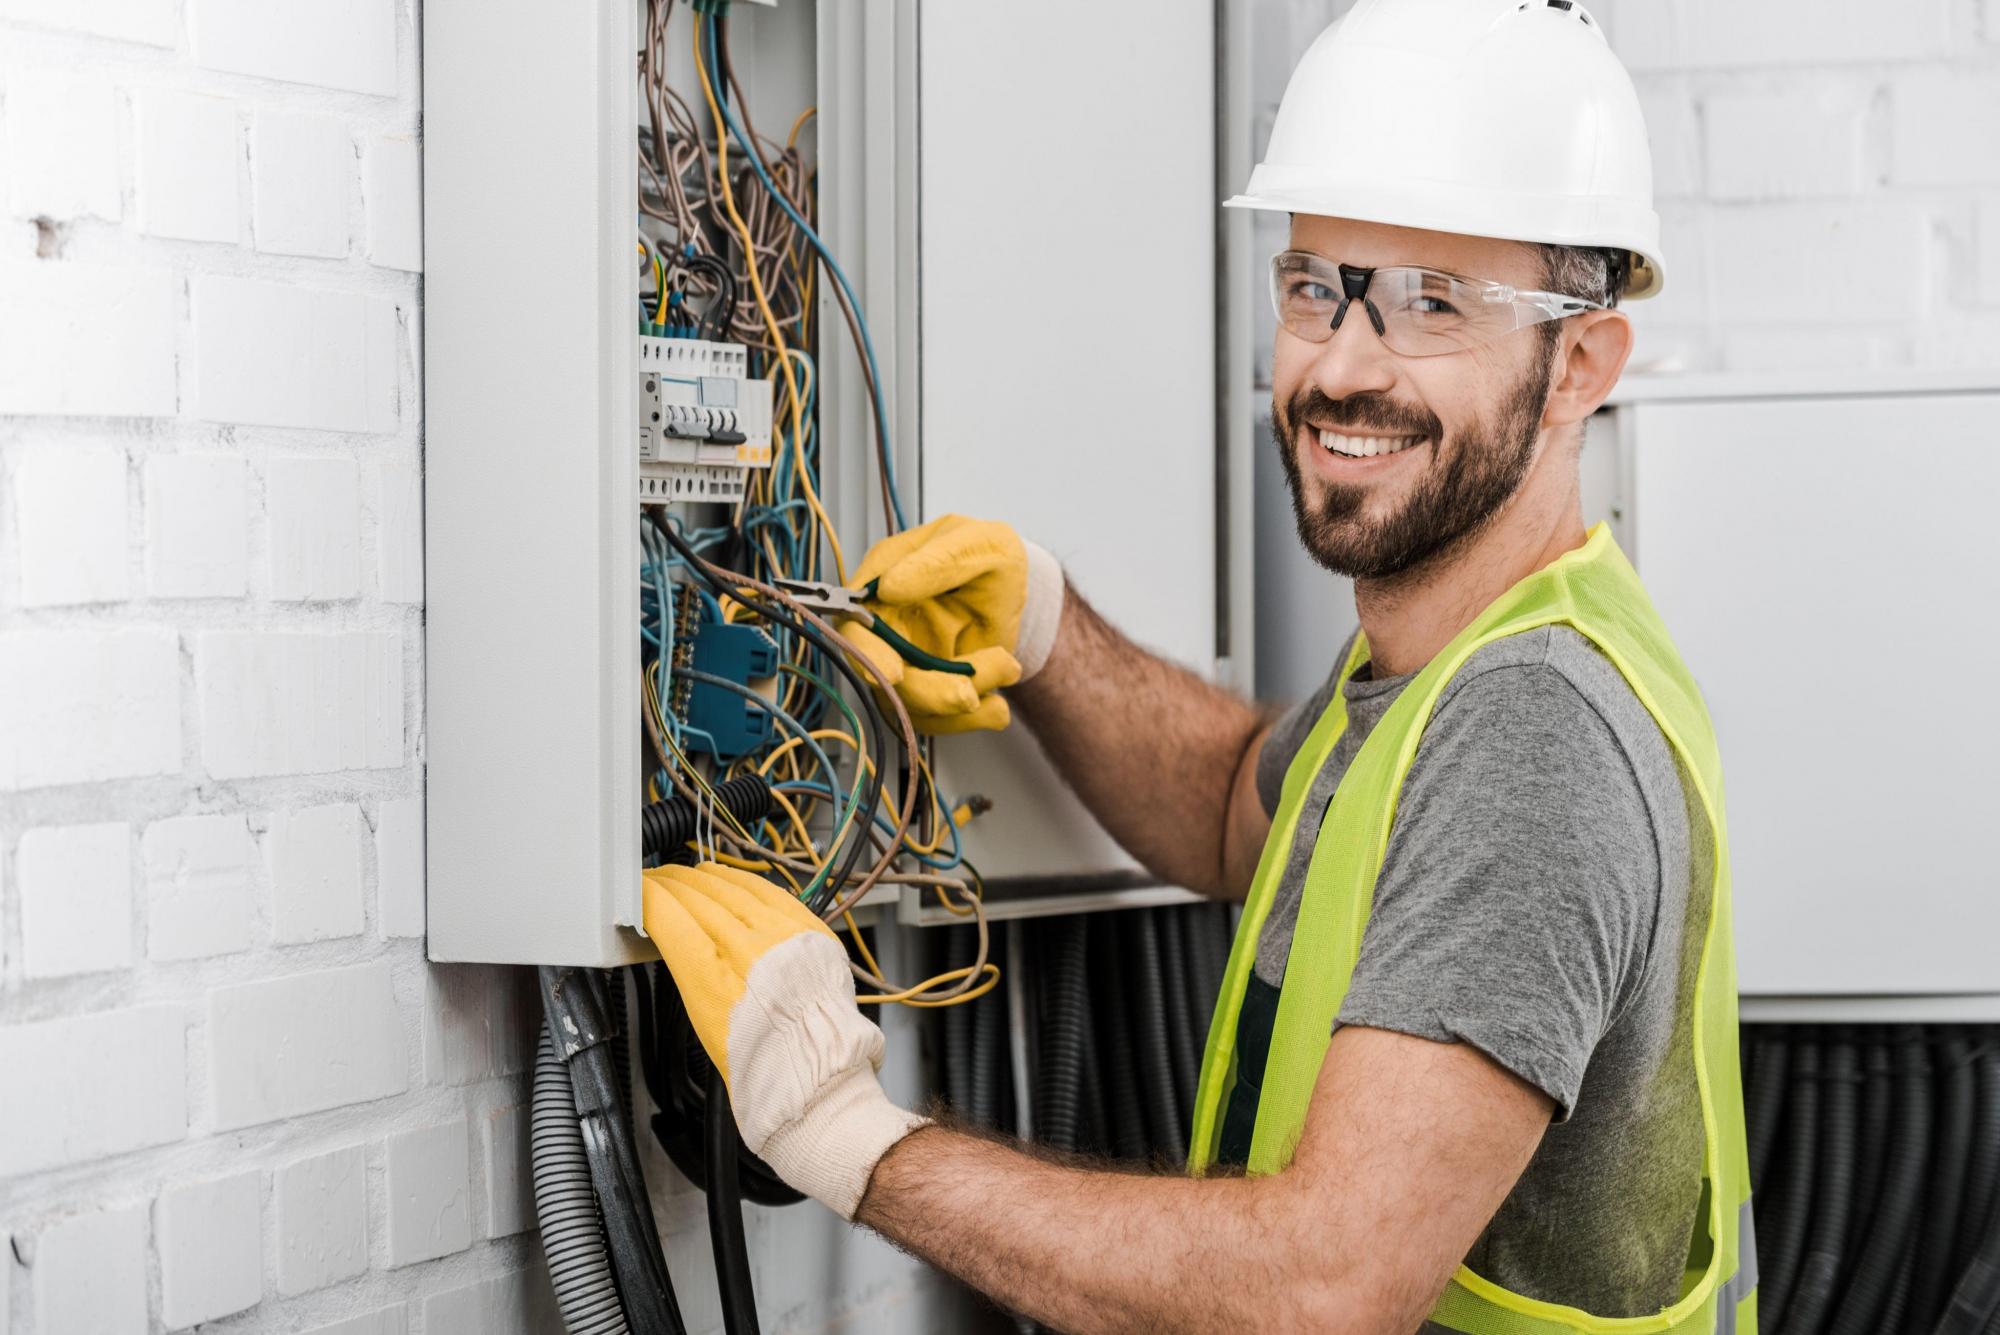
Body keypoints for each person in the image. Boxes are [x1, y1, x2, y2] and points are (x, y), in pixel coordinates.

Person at [645, 1, 1756, 1330]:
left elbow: (1324, 1288)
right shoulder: (1442, 672)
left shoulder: (1530, 730)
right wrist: (1046, 633)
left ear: (1580, 362)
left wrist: (842, 1133)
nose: (1341, 366)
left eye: (1432, 306)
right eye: (1313, 288)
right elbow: (1242, 806)